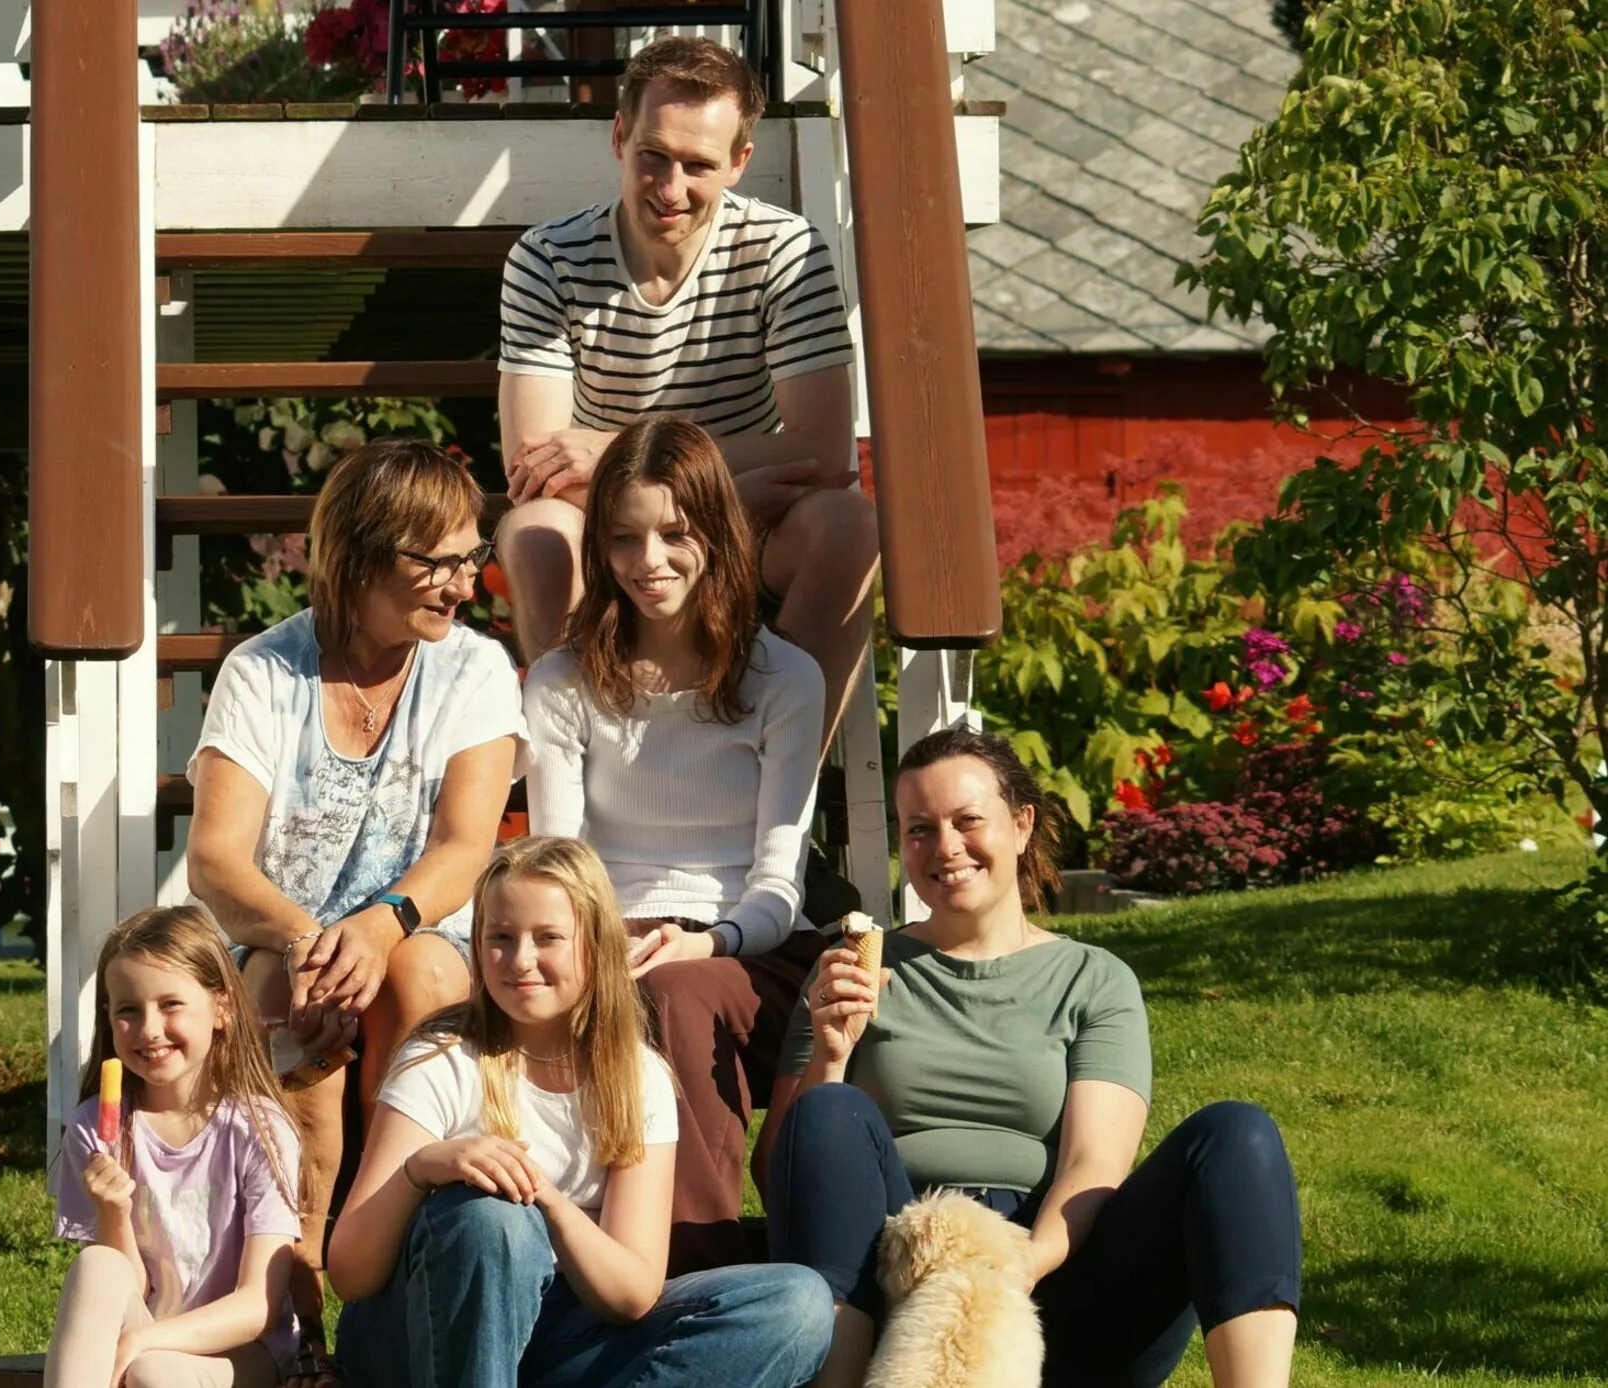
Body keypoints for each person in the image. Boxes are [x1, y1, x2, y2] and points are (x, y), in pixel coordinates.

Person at [758, 728, 1304, 1388]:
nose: (946, 848)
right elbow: (782, 1170)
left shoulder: (1093, 979)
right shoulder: (847, 973)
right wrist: (832, 1054)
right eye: (920, 829)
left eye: (968, 821)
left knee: (1237, 1134)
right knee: (831, 1109)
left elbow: (1091, 1164)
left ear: (1021, 824)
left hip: (1052, 1290)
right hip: (896, 1279)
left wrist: (1013, 1267)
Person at [182, 438, 526, 1385]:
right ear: (367, 554)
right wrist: (309, 943)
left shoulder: (475, 671)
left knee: (414, 978)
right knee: (283, 1017)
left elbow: (465, 846)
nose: (464, 582)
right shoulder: (266, 672)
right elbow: (215, 859)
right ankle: (295, 1320)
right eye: (440, 562)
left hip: (419, 933)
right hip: (281, 943)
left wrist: (376, 929)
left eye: (469, 556)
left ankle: (400, 1286)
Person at [325, 836, 832, 1388]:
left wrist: (546, 1199)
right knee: (491, 1217)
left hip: (563, 1330)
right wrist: (422, 1169)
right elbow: (351, 1274)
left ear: (593, 945)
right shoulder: (442, 1057)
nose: (520, 961)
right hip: (422, 1334)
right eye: (500, 937)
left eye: (548, 938)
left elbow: (632, 1295)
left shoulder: (638, 1076)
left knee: (795, 1304)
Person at [494, 34, 875, 749]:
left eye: (698, 165)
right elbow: (535, 468)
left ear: (740, 163)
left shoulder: (786, 254)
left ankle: (777, 790)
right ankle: (590, 785)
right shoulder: (546, 259)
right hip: (617, 532)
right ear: (618, 136)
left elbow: (824, 454)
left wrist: (616, 457)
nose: (670, 189)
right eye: (653, 156)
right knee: (537, 533)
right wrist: (711, 495)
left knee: (848, 526)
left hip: (749, 533)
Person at [522, 413, 829, 1274]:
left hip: (745, 946)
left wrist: (709, 939)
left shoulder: (786, 680)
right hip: (601, 939)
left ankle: (691, 1265)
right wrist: (600, 943)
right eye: (622, 538)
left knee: (680, 994)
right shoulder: (560, 683)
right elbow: (559, 861)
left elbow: (779, 884)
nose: (648, 561)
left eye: (673, 533)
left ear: (716, 536)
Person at [47, 905, 307, 1388]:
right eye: (128, 1010)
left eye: (170, 1005)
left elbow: (259, 1304)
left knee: (151, 1373)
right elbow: (130, 1288)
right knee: (96, 1265)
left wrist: (144, 1343)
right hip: (144, 1330)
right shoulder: (96, 1129)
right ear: (108, 1016)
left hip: (246, 1351)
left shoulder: (258, 1130)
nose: (148, 1029)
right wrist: (112, 1213)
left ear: (222, 1009)